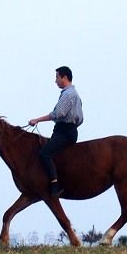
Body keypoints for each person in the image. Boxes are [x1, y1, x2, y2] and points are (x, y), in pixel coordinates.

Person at [28, 66, 84, 198]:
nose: (55, 81)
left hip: (64, 132)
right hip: (66, 130)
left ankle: (55, 185)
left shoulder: (68, 94)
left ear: (64, 77)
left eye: (57, 77)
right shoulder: (73, 94)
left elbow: (58, 114)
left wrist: (37, 120)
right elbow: (80, 119)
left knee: (44, 153)